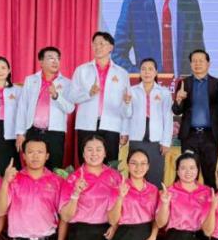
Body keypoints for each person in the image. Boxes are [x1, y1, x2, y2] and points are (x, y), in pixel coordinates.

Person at [69, 32, 132, 164]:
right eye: (95, 44)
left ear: (111, 47)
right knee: (86, 162)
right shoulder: (82, 70)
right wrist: (88, 94)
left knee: (110, 163)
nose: (97, 47)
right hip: (86, 124)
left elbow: (126, 103)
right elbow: (72, 96)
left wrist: (124, 130)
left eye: (102, 44)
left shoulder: (122, 73)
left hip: (112, 124)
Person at [172, 49, 218, 190]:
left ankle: (211, 202)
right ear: (190, 64)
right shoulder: (184, 83)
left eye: (201, 61)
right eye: (194, 61)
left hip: (210, 137)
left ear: (208, 64)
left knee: (209, 175)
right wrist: (178, 100)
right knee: (188, 175)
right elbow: (177, 111)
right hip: (189, 136)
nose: (197, 64)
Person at [15, 46, 75, 170]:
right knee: (32, 167)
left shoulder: (67, 83)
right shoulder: (31, 80)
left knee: (54, 168)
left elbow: (70, 108)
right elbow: (22, 107)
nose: (55, 61)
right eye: (50, 58)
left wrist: (56, 96)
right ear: (41, 62)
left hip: (55, 133)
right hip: (33, 131)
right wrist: (20, 132)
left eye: (58, 58)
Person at [122, 58, 173, 188]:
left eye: (150, 69)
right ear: (139, 72)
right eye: (143, 69)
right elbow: (126, 115)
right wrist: (126, 103)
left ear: (156, 72)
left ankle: (154, 199)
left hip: (156, 140)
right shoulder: (132, 91)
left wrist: (166, 142)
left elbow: (168, 118)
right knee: (136, 173)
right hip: (136, 137)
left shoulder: (164, 92)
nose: (147, 72)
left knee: (155, 175)